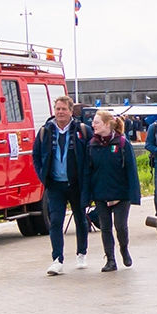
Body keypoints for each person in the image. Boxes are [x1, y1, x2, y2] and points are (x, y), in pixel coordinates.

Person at [32, 95, 91, 275]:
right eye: (57, 109)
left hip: (76, 184)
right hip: (55, 184)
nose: (60, 112)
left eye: (64, 109)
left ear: (71, 111)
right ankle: (57, 259)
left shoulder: (82, 130)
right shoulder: (45, 131)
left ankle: (81, 253)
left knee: (80, 218)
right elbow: (36, 156)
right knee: (56, 220)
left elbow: (90, 156)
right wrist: (44, 177)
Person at [83, 109, 141, 272]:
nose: (93, 125)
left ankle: (124, 248)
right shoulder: (92, 145)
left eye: (96, 122)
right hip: (101, 193)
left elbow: (131, 171)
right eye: (93, 122)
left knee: (120, 226)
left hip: (121, 194)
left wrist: (133, 195)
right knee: (105, 227)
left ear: (107, 124)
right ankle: (110, 259)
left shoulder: (122, 144)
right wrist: (87, 196)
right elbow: (88, 171)